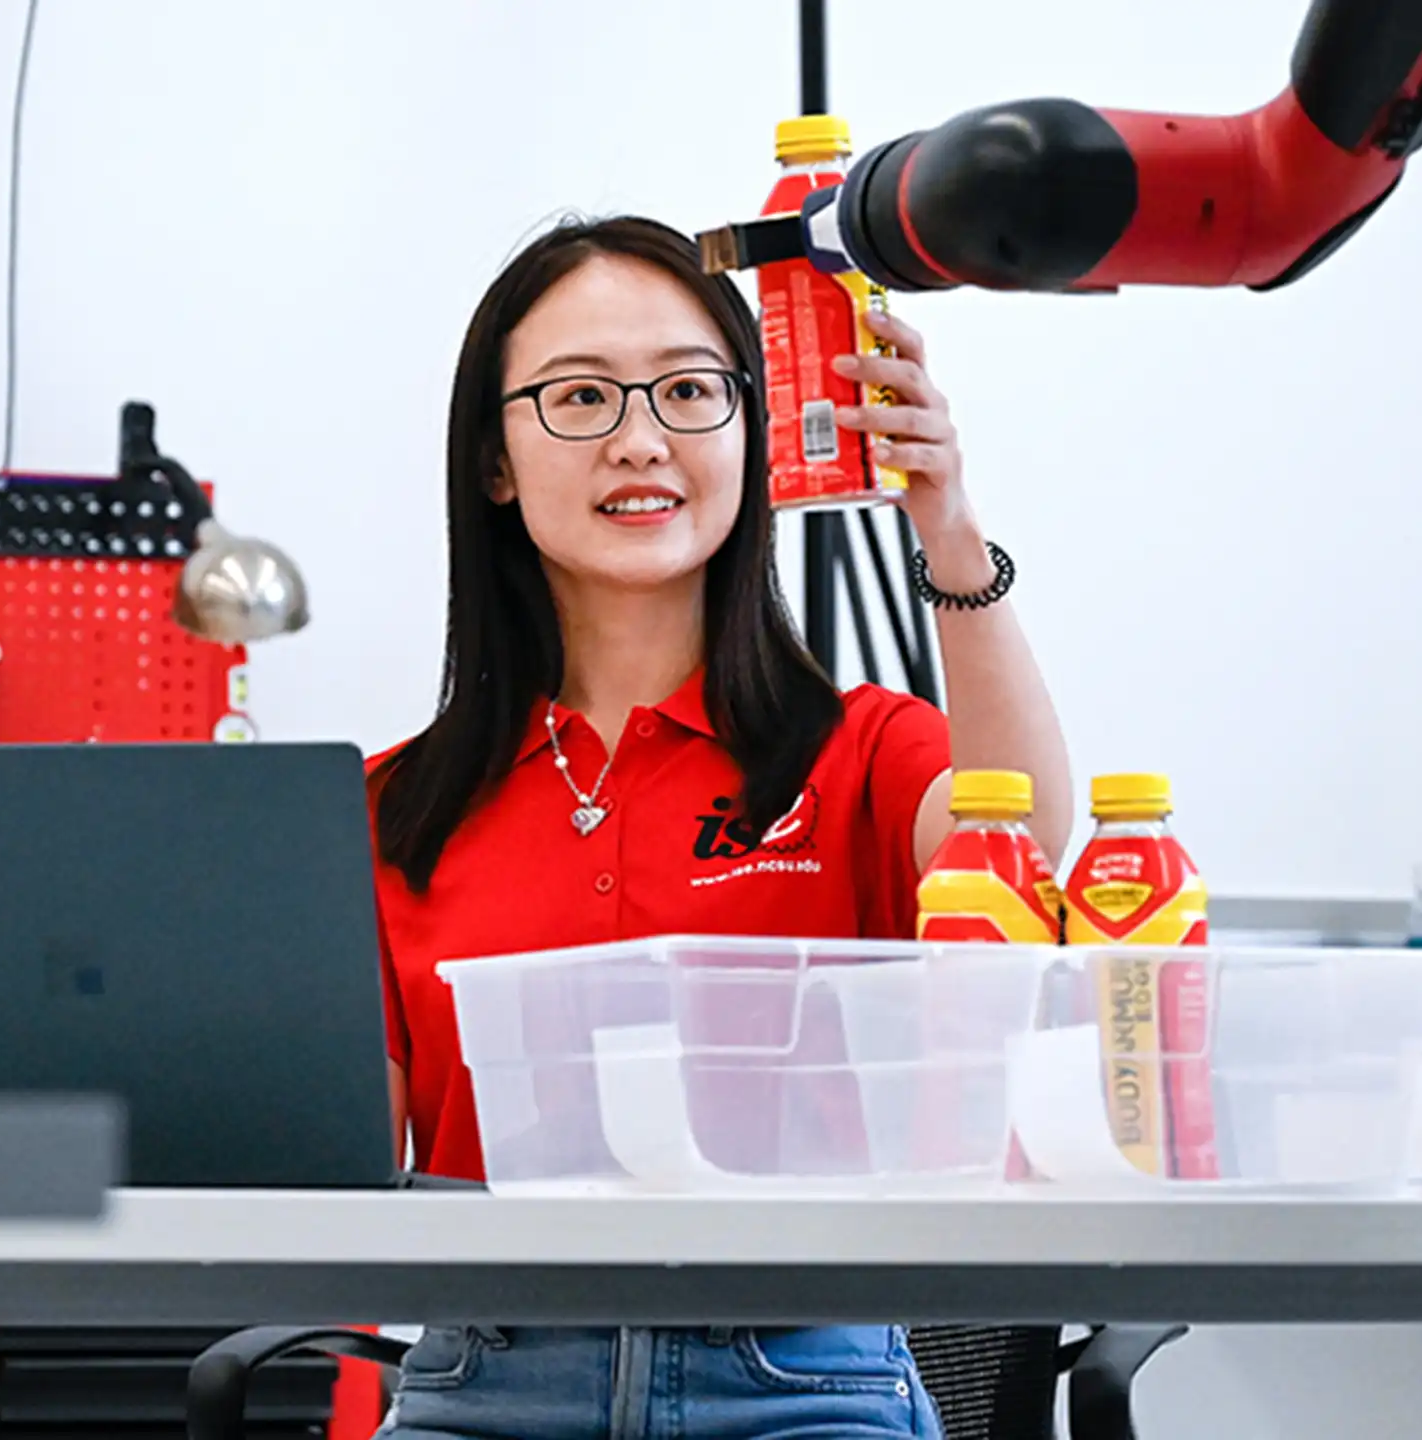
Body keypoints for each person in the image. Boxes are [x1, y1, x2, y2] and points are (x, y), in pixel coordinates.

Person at [365, 214, 1071, 1440]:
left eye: (689, 391)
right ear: (494, 458)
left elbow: (1024, 847)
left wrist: (946, 527)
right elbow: (333, 1179)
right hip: (482, 1387)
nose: (641, 439)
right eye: (580, 397)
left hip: (804, 1382)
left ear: (752, 427)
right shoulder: (392, 811)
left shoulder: (860, 750)